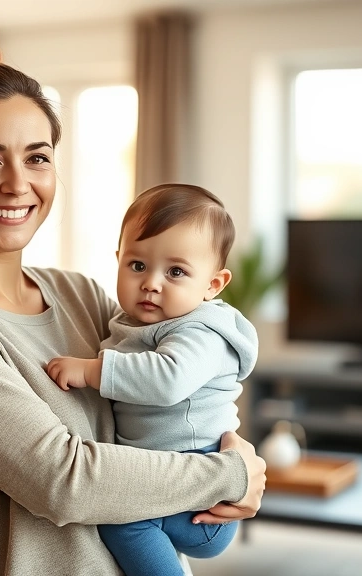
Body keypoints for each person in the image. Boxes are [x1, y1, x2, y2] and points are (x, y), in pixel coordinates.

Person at [0, 36, 267, 576]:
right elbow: (62, 481)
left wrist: (233, 447)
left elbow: (175, 387)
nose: (17, 184)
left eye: (37, 158)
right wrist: (233, 475)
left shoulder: (79, 293)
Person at [46, 184, 259, 576]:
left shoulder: (202, 331)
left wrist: (92, 370)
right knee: (125, 512)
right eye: (137, 265)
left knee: (122, 517)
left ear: (213, 285)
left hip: (202, 496)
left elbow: (168, 381)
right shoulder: (131, 323)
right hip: (172, 480)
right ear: (118, 261)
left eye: (176, 271)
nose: (151, 282)